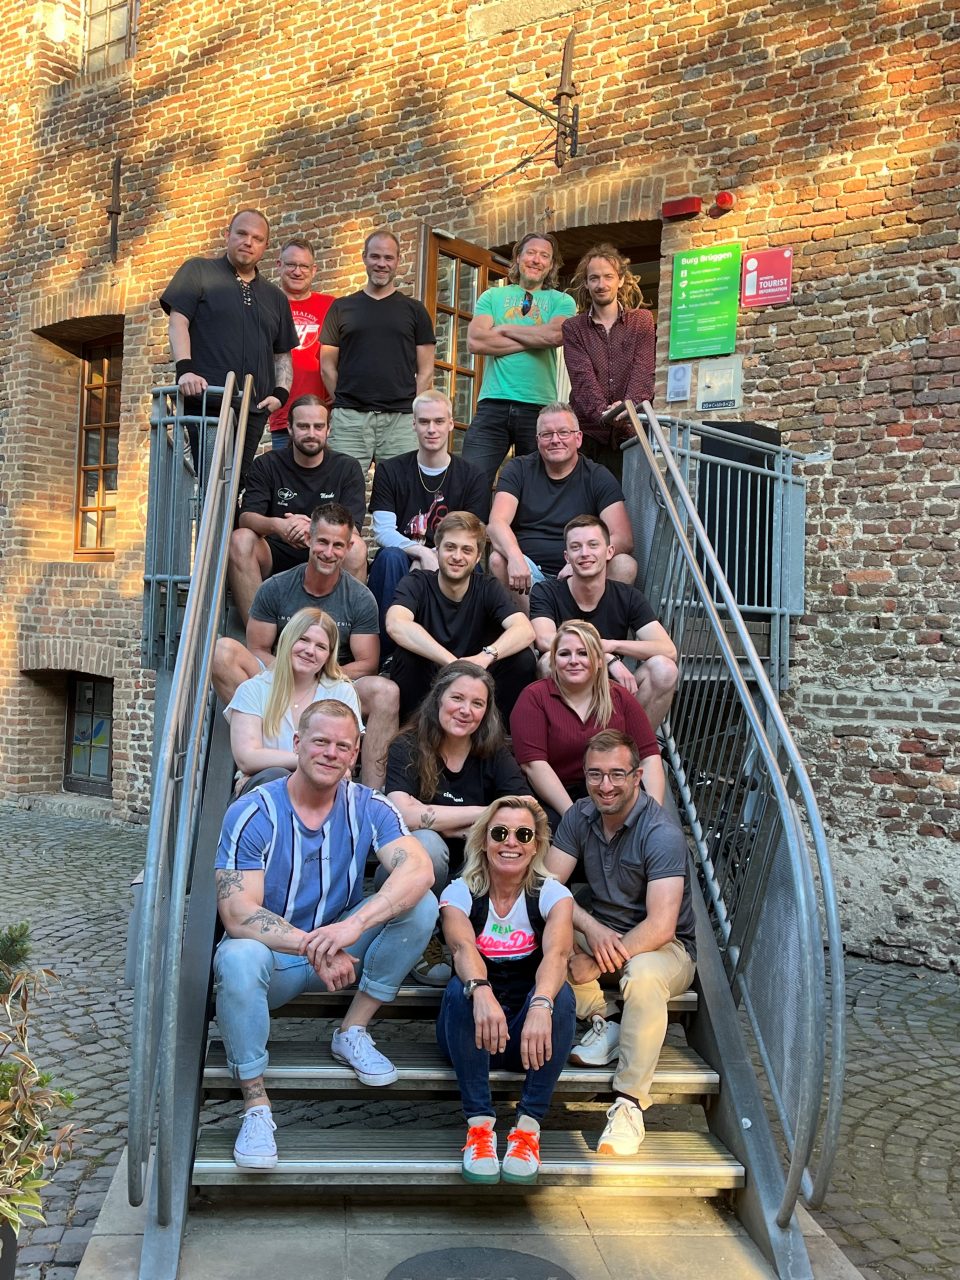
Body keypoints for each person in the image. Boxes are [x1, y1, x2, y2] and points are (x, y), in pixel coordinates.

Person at [214, 700, 438, 1170]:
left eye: (342, 745)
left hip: (343, 946)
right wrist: (311, 945)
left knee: (421, 904)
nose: (331, 753)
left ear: (355, 753)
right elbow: (237, 913)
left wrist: (352, 926)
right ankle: (256, 1105)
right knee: (236, 958)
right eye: (320, 741)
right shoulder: (253, 811)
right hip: (278, 957)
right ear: (297, 743)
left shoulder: (369, 806)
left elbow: (419, 869)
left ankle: (352, 1030)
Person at [544, 730, 696, 1156]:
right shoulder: (580, 815)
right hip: (605, 931)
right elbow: (547, 887)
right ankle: (606, 1019)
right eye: (595, 774)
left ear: (637, 777)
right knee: (544, 925)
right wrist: (590, 929)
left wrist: (596, 961)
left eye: (616, 774)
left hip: (666, 948)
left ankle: (629, 1104)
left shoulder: (661, 832)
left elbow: (661, 926)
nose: (605, 785)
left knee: (643, 974)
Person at [437, 797, 576, 1184]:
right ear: (484, 841)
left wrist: (541, 1005)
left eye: (523, 834)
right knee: (460, 990)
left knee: (562, 996)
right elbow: (462, 947)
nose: (510, 842)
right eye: (499, 833)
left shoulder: (552, 895)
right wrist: (481, 991)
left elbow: (558, 954)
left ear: (536, 845)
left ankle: (527, 1129)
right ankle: (480, 1127)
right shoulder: (460, 892)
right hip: (470, 1035)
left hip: (528, 1036)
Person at [212, 503, 398, 789]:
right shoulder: (276, 587)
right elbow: (258, 649)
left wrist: (319, 675)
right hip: (280, 674)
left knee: (386, 691)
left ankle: (369, 798)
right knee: (221, 652)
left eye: (338, 545)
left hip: (334, 679)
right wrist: (294, 672)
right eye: (322, 541)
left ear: (349, 548)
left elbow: (368, 663)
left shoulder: (360, 598)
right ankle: (263, 751)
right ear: (309, 539)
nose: (328, 552)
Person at [160, 208, 298, 484]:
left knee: (236, 484)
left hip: (252, 409)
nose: (248, 242)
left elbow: (282, 353)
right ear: (227, 235)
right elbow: (178, 321)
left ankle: (230, 513)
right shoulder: (198, 271)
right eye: (241, 234)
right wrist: (185, 370)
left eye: (257, 238)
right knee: (212, 483)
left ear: (265, 246)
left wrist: (280, 394)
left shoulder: (275, 297)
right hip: (207, 400)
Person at [384, 661, 528, 897]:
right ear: (438, 698)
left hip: (473, 869)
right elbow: (402, 814)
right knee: (428, 843)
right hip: (409, 875)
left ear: (486, 712)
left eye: (477, 703)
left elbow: (525, 808)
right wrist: (488, 813)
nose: (465, 710)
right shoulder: (407, 746)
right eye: (457, 698)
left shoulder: (495, 753)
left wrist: (438, 821)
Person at [384, 511, 536, 724]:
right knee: (406, 657)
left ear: (477, 557)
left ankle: (498, 733)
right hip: (430, 676)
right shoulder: (417, 583)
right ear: (437, 550)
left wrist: (484, 658)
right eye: (450, 547)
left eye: (466, 550)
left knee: (523, 660)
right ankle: (414, 731)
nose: (457, 556)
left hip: (479, 675)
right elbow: (396, 624)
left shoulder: (487, 587)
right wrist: (453, 663)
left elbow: (525, 630)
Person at [510, 620, 664, 829]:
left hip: (610, 789)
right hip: (555, 796)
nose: (574, 661)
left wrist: (655, 815)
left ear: (599, 660)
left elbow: (648, 755)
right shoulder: (534, 697)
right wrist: (574, 817)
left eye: (583, 653)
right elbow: (533, 765)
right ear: (553, 661)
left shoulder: (619, 696)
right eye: (564, 654)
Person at [228, 395, 368, 622]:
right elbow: (246, 518)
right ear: (290, 429)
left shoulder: (347, 467)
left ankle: (341, 633)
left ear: (328, 430)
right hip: (277, 551)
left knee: (357, 547)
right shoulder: (266, 464)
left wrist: (313, 531)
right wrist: (279, 525)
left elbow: (354, 529)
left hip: (327, 551)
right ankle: (259, 634)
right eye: (303, 426)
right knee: (240, 539)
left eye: (318, 427)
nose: (311, 433)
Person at [531, 515, 678, 730]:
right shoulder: (547, 591)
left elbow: (668, 649)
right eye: (576, 547)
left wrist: (613, 645)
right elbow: (544, 640)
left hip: (612, 691)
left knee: (664, 669)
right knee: (547, 662)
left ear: (609, 552)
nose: (585, 553)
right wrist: (604, 655)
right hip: (569, 683)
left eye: (593, 545)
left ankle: (632, 747)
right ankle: (567, 743)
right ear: (567, 557)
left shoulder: (628, 596)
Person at [487, 403, 637, 614]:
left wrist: (579, 562)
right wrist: (514, 557)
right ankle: (536, 630)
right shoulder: (518, 469)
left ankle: (591, 632)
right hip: (528, 574)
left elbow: (623, 538)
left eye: (563, 432)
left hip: (582, 573)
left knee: (625, 565)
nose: (555, 440)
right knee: (498, 559)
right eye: (547, 434)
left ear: (578, 438)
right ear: (537, 440)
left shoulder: (598, 476)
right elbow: (496, 523)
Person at [368, 389, 490, 646]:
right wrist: (421, 554)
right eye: (424, 422)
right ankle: (388, 652)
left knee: (471, 565)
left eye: (438, 421)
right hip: (403, 557)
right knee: (389, 557)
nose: (431, 429)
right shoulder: (390, 470)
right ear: (414, 424)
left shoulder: (473, 476)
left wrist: (436, 557)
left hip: (450, 554)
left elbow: (471, 534)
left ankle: (462, 651)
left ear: (451, 424)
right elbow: (382, 531)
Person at [461, 232, 577, 488]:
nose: (536, 260)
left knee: (536, 487)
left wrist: (503, 329)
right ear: (518, 257)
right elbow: (476, 341)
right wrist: (536, 338)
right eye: (531, 253)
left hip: (538, 407)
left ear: (551, 265)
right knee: (470, 481)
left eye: (544, 256)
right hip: (492, 403)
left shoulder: (562, 300)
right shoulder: (492, 296)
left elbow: (555, 335)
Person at [320, 229, 436, 472]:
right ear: (364, 257)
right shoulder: (341, 307)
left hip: (400, 421)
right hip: (349, 420)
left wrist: (410, 407)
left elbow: (426, 370)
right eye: (375, 256)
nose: (381, 264)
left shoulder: (415, 310)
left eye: (388, 258)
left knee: (401, 488)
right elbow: (327, 366)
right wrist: (343, 401)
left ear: (398, 261)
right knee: (341, 486)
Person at [224, 608, 361, 793]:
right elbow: (247, 758)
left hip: (321, 791)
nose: (310, 651)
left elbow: (346, 757)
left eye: (321, 647)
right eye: (303, 639)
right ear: (287, 640)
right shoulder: (253, 690)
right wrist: (309, 761)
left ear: (328, 656)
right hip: (266, 792)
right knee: (274, 776)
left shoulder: (341, 692)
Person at [561, 243, 656, 479]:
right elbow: (582, 379)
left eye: (608, 277)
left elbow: (643, 372)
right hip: (588, 434)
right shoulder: (573, 328)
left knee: (627, 500)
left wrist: (626, 408)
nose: (601, 284)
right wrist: (606, 413)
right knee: (584, 500)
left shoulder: (642, 321)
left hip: (630, 434)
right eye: (594, 278)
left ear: (620, 280)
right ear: (586, 283)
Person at [267, 237, 335, 448]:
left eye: (304, 266)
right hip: (283, 414)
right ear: (279, 265)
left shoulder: (332, 306)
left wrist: (339, 390)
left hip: (325, 417)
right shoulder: (267, 306)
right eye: (291, 264)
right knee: (283, 470)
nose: (297, 271)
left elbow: (351, 352)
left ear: (314, 270)